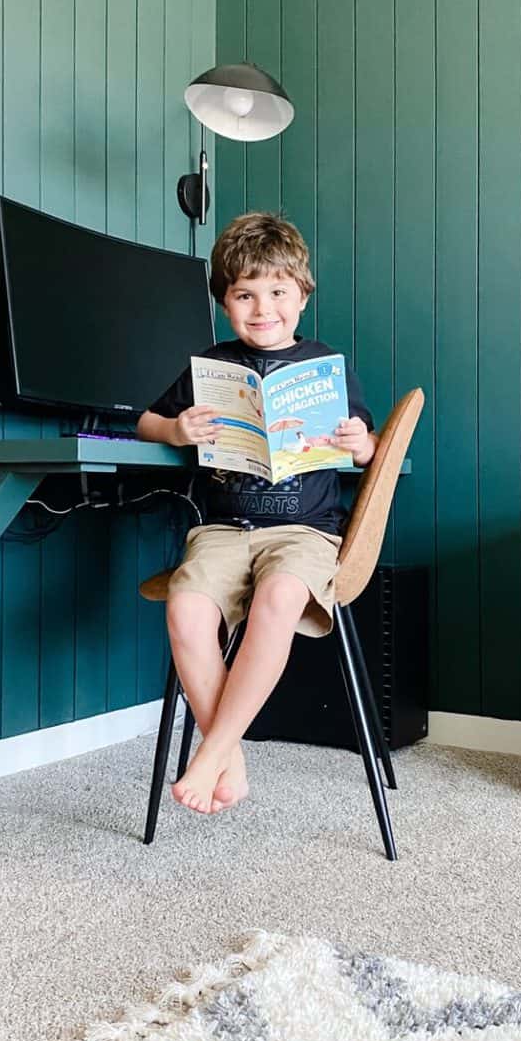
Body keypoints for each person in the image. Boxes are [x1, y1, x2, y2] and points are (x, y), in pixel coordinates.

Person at [136, 212, 378, 815]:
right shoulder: (211, 366)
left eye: (277, 291)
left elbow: (368, 443)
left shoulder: (325, 365)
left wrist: (359, 444)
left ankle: (213, 751)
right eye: (245, 293)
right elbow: (145, 422)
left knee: (278, 599)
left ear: (302, 295)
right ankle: (229, 754)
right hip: (224, 530)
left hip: (305, 533)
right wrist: (176, 426)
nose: (262, 307)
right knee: (187, 608)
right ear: (224, 300)